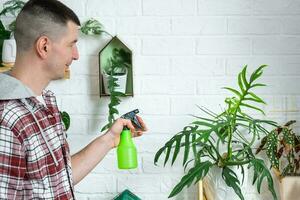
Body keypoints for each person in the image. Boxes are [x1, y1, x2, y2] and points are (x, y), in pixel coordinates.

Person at [0, 0, 147, 199]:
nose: (76, 55)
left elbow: (58, 179)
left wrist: (110, 139)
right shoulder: (7, 120)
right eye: (71, 44)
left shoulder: (46, 101)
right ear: (44, 46)